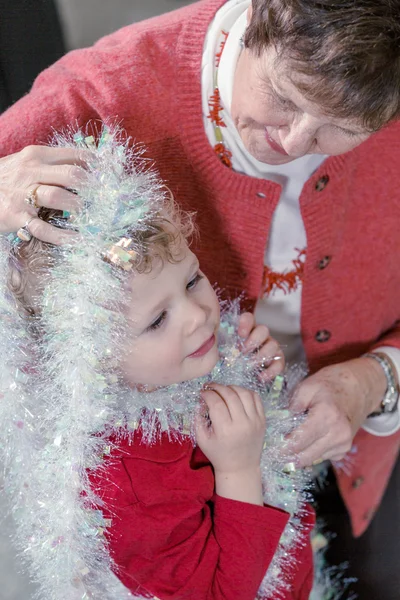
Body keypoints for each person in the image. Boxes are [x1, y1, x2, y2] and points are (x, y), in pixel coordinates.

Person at [0, 0, 399, 596]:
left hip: (363, 471)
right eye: (286, 97)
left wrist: (378, 379)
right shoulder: (93, 100)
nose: (294, 140)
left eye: (340, 127)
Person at [2, 128, 313, 600]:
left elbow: (271, 438)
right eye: (157, 321)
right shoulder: (128, 481)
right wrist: (238, 470)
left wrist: (253, 369)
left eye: (191, 281)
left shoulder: (176, 361)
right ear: (90, 361)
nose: (198, 317)